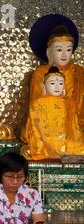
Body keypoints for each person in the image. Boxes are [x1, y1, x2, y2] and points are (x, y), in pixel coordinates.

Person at [23, 14, 83, 142]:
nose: (64, 54)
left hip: (77, 124)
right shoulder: (41, 72)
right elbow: (37, 106)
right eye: (59, 49)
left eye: (68, 49)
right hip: (49, 125)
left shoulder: (79, 72)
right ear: (49, 52)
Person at [23, 66, 83, 160]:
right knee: (29, 150)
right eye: (52, 83)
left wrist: (72, 140)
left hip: (67, 140)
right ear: (44, 86)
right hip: (46, 140)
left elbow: (74, 127)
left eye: (60, 83)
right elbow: (36, 127)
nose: (57, 87)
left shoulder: (69, 103)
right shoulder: (37, 103)